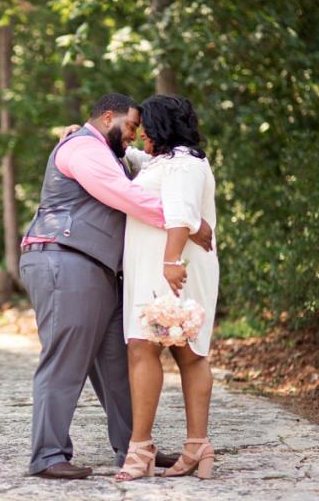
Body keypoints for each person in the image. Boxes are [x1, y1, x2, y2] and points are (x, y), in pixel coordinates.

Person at [19, 93, 212, 480]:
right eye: (130, 127)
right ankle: (48, 454)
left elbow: (153, 169)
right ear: (108, 117)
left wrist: (185, 217)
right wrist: (186, 221)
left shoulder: (109, 153)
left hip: (97, 269)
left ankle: (134, 449)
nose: (134, 135)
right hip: (64, 257)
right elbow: (123, 195)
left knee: (115, 363)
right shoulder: (85, 149)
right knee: (65, 356)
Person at [114, 94, 219, 481]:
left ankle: (156, 449)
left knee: (181, 352)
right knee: (152, 349)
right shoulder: (167, 162)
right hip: (156, 269)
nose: (140, 133)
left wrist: (172, 263)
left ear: (160, 127)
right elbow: (140, 166)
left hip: (175, 269)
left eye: (144, 127)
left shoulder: (184, 165)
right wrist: (84, 138)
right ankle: (189, 448)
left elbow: (180, 216)